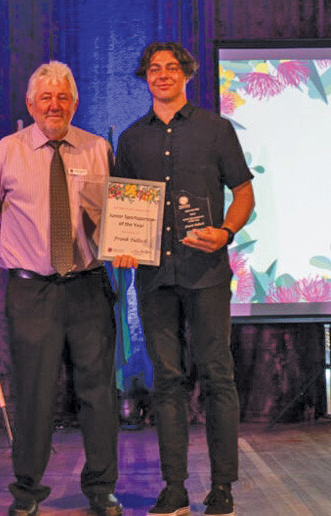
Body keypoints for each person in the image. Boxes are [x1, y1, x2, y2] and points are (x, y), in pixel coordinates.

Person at [0, 61, 122, 516]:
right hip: (32, 292)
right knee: (33, 392)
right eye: (46, 98)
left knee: (98, 392)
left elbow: (118, 213)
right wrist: (16, 260)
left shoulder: (98, 149)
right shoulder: (6, 152)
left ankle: (101, 488)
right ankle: (27, 489)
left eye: (62, 98)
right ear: (30, 104)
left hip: (88, 288)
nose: (54, 105)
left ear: (74, 104)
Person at [112, 42, 254, 516]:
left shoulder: (216, 130)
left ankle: (223, 489)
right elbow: (124, 210)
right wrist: (123, 247)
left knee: (218, 377)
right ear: (145, 77)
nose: (163, 74)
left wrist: (226, 231)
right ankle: (174, 488)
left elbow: (244, 194)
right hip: (154, 279)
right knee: (166, 383)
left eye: (172, 67)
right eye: (155, 69)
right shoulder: (131, 140)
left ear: (187, 74)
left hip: (207, 275)